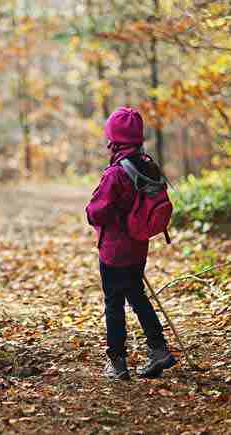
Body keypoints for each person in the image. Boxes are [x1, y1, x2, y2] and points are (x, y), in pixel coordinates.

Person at [86, 107, 176, 380]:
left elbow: (95, 212)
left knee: (113, 303)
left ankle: (117, 362)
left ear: (114, 139)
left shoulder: (115, 173)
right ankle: (158, 349)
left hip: (114, 251)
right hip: (138, 247)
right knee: (137, 296)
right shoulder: (147, 164)